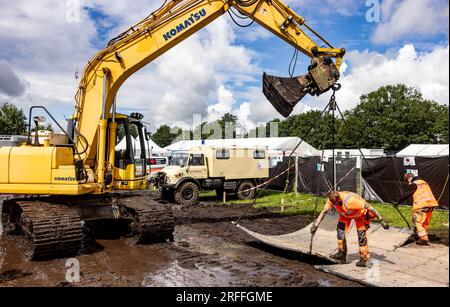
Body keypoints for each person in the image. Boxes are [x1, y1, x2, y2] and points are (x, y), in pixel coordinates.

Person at [311, 191, 389, 267]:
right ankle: (341, 254)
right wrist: (315, 225)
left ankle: (364, 259)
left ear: (339, 199)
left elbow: (371, 208)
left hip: (360, 215)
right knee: (340, 232)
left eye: (337, 203)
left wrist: (381, 220)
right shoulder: (332, 199)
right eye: (334, 204)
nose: (336, 205)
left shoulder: (352, 201)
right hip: (345, 215)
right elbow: (324, 212)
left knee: (361, 236)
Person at [395, 173, 439, 246]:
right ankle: (423, 235)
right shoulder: (424, 182)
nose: (408, 182)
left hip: (421, 206)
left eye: (407, 180)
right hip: (431, 205)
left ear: (409, 178)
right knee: (424, 222)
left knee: (418, 222)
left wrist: (397, 202)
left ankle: (424, 239)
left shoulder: (414, 184)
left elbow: (406, 194)